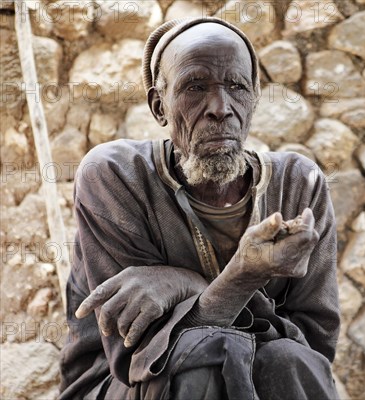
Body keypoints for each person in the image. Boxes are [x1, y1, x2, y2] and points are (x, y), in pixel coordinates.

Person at [58, 17, 340, 400]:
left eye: (237, 87)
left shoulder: (297, 184)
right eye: (195, 86)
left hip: (255, 372)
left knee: (288, 361)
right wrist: (240, 277)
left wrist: (189, 285)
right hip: (119, 386)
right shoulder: (115, 176)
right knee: (209, 358)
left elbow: (315, 351)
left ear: (253, 99)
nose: (220, 108)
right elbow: (138, 357)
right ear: (160, 106)